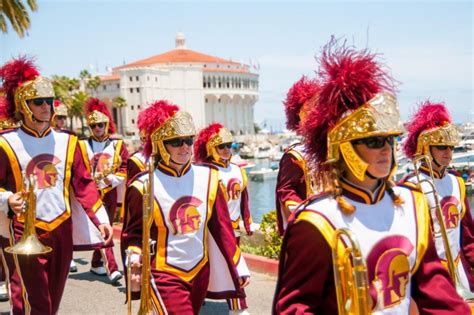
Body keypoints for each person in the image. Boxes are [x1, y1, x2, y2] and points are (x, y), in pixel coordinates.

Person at [273, 40, 470, 314]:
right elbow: (295, 308)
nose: (386, 149)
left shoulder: (412, 204)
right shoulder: (315, 222)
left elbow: (434, 290)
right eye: (374, 141)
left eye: (390, 139)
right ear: (344, 147)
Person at [0, 57, 113, 314]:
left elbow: (84, 186)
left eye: (49, 101)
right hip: (25, 225)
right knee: (33, 301)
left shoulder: (69, 142)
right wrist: (7, 199)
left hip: (62, 227)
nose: (46, 107)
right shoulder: (5, 143)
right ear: (22, 105)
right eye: (38, 102)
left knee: (52, 301)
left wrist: (102, 220)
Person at [122, 100, 250, 314]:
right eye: (176, 141)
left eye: (189, 140)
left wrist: (238, 265)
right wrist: (135, 257)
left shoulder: (209, 177)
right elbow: (133, 233)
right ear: (161, 145)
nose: (185, 147)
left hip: (200, 270)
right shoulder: (142, 185)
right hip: (163, 272)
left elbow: (221, 227)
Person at [401, 101, 474, 293]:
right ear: (426, 147)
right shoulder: (411, 186)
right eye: (442, 147)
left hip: (460, 272)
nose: (448, 153)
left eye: (450, 147)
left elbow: (467, 236)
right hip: (428, 275)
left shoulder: (457, 182)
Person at [194, 123, 253, 314]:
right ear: (211, 148)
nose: (227, 150)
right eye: (222, 146)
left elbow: (244, 199)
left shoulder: (238, 170)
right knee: (213, 265)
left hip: (233, 227)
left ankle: (235, 305)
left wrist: (247, 221)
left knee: (230, 265)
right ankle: (233, 304)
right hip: (212, 229)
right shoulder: (205, 172)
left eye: (230, 145)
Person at [79, 97, 128, 284]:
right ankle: (112, 268)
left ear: (107, 124)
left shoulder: (119, 145)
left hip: (110, 191)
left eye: (100, 124)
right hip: (90, 193)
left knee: (102, 227)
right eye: (93, 126)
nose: (97, 128)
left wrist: (112, 180)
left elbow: (124, 167)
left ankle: (96, 262)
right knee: (104, 227)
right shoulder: (82, 145)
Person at [275, 76, 319, 235]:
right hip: (311, 226)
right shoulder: (295, 155)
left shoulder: (333, 148)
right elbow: (287, 191)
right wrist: (306, 217)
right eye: (307, 110)